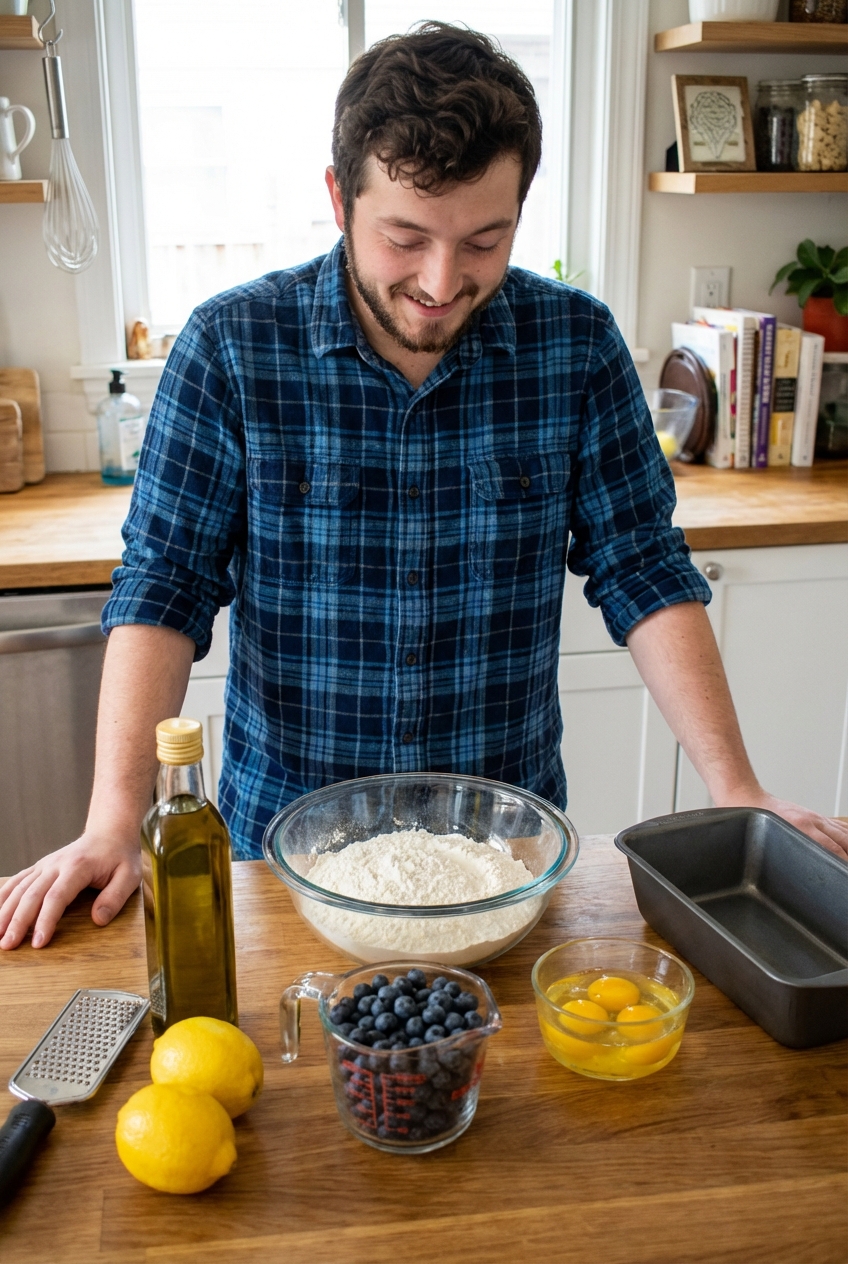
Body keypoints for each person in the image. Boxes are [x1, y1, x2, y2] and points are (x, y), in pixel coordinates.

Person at [1, 24, 845, 952]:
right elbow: (163, 585)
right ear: (339, 198)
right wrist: (116, 818)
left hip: (505, 860)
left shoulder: (577, 348)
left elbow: (643, 567)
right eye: (405, 238)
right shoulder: (232, 348)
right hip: (289, 855)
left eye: (485, 240)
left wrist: (738, 790)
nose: (442, 283)